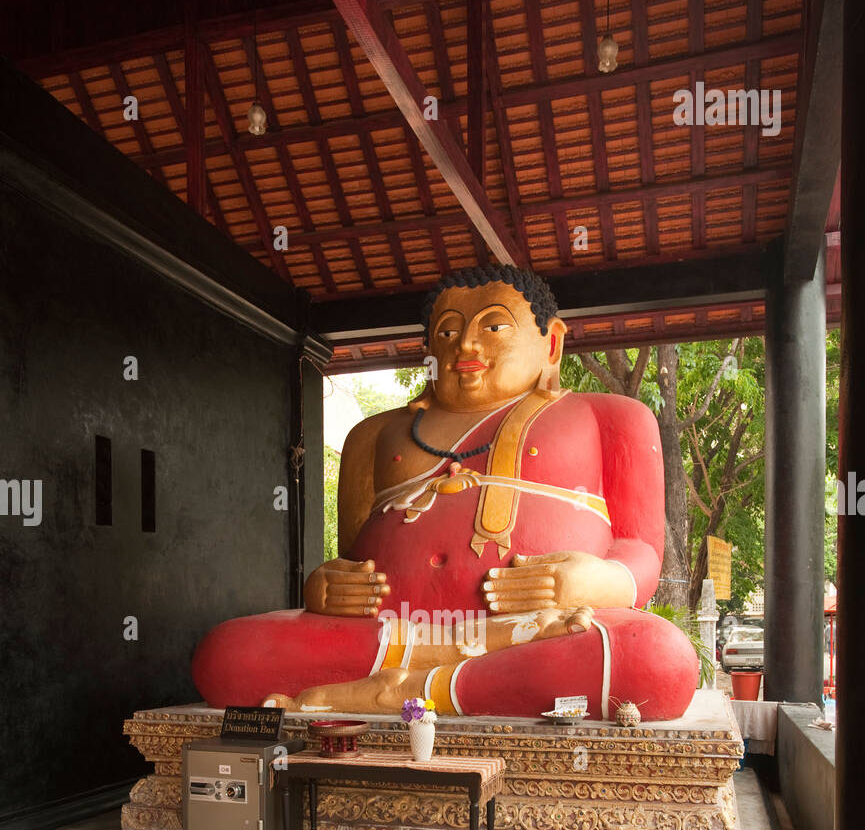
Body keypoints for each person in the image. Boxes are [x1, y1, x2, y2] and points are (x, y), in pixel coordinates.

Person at [191, 263, 697, 720]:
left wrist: (594, 580)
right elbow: (349, 561)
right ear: (429, 351)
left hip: (541, 627)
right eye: (448, 331)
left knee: (658, 660)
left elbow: (643, 551)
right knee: (227, 654)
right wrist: (324, 587)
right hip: (394, 635)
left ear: (552, 344)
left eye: (493, 327)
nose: (466, 346)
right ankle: (449, 684)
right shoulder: (374, 434)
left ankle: (404, 692)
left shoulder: (610, 416)